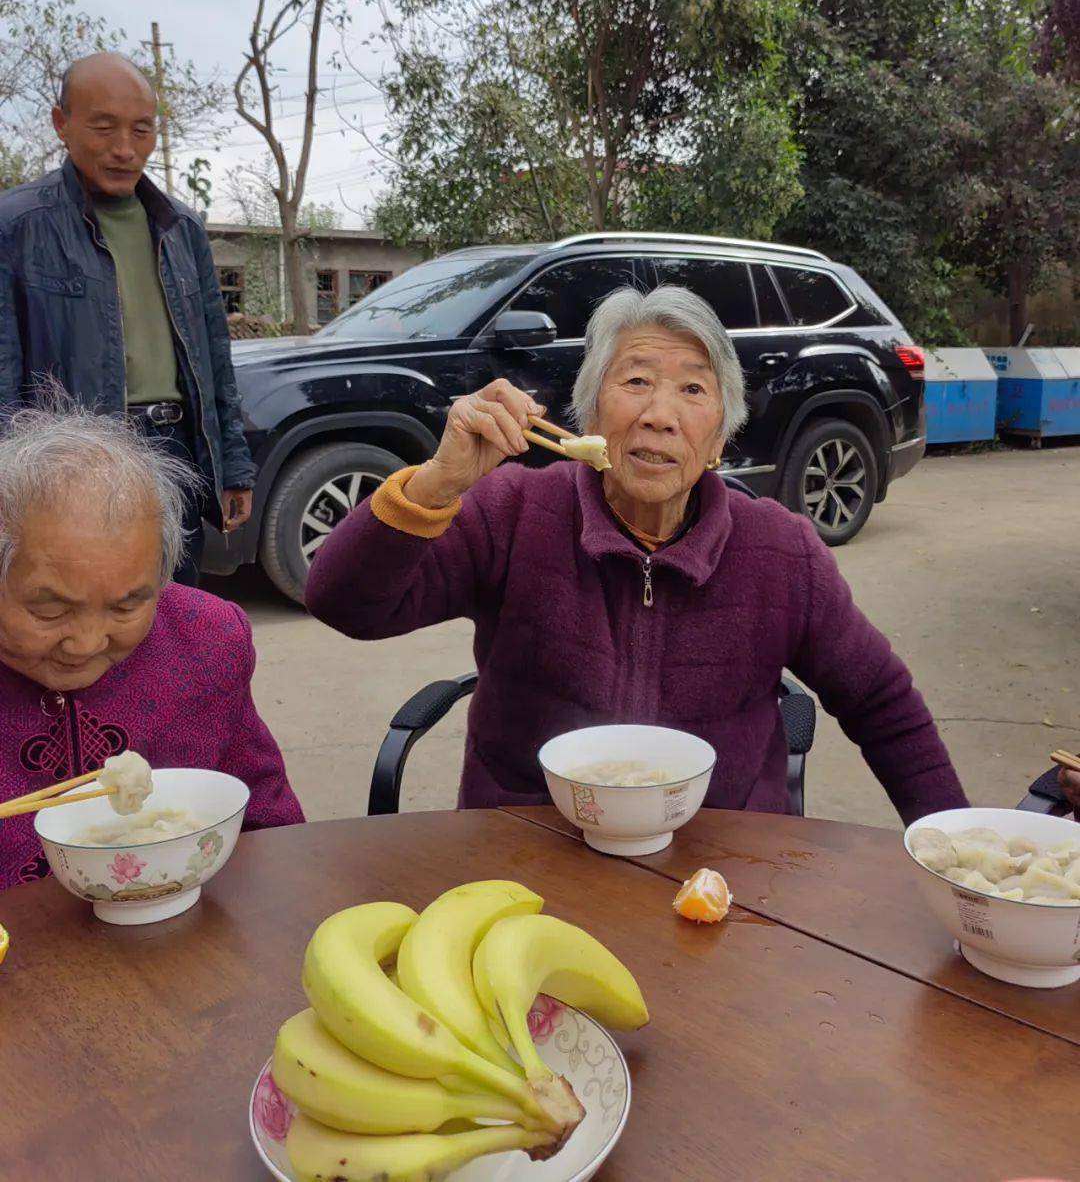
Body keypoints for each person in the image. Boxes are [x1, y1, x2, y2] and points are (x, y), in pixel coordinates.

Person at [307, 285, 968, 824]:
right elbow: (343, 602)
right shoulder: (511, 512)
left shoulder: (782, 552)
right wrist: (439, 480)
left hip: (720, 864)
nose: (659, 413)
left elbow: (883, 703)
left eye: (692, 390)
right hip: (528, 847)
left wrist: (960, 860)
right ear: (591, 416)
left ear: (719, 439)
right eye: (637, 380)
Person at [0, 401, 302, 890]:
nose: (85, 644)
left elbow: (267, 822)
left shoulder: (206, 640)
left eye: (125, 607)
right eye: (50, 612)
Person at [0, 51, 254, 584]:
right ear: (61, 124)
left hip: (175, 447)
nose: (124, 149)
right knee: (88, 617)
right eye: (104, 127)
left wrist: (233, 465)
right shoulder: (18, 226)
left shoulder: (182, 228)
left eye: (141, 130)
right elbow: (4, 369)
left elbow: (215, 357)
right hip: (72, 460)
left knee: (173, 610)